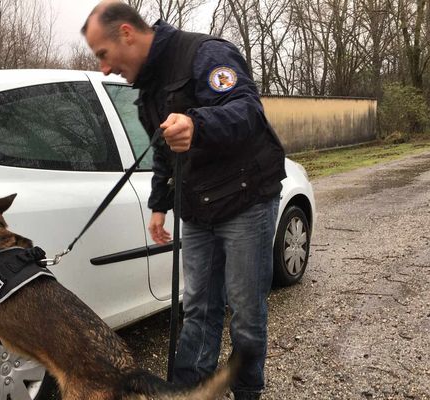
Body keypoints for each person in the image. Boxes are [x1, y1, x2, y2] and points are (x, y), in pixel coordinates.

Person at [82, 2, 286, 399]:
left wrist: (198, 123)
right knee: (198, 310)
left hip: (246, 201)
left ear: (126, 33)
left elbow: (247, 110)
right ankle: (188, 393)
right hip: (197, 207)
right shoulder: (147, 89)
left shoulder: (205, 53)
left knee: (245, 315)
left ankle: (247, 391)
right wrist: (159, 203)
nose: (104, 69)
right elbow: (162, 151)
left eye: (103, 55)